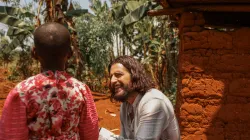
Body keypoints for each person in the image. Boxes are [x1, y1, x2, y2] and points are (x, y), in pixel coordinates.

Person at [0, 22, 99, 140]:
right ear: (70, 53)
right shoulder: (81, 90)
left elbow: (11, 135)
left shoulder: (21, 92)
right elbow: (90, 134)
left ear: (34, 53)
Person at [108, 55, 180, 140]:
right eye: (111, 77)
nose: (112, 81)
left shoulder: (153, 103)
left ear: (134, 75)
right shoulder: (125, 106)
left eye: (118, 75)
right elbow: (123, 138)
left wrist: (103, 136)